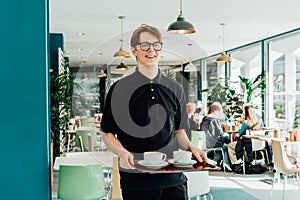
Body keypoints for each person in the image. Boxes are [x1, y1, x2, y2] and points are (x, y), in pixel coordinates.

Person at [101, 24, 207, 200]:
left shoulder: (176, 88)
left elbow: (179, 132)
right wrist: (122, 153)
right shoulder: (119, 88)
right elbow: (107, 133)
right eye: (145, 45)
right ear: (134, 50)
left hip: (173, 177)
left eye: (156, 45)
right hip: (136, 179)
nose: (151, 50)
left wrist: (191, 147)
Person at [228, 104, 262, 170]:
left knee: (230, 145)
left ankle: (236, 163)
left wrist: (238, 125)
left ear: (246, 112)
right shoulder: (259, 120)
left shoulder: (246, 122)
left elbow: (238, 134)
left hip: (247, 144)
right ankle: (244, 161)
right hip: (257, 144)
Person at [200, 104, 231, 171]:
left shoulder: (204, 119)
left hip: (205, 142)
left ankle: (214, 164)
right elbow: (220, 133)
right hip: (213, 142)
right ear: (214, 110)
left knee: (219, 150)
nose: (219, 113)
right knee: (226, 146)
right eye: (219, 111)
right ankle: (226, 164)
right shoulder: (215, 120)